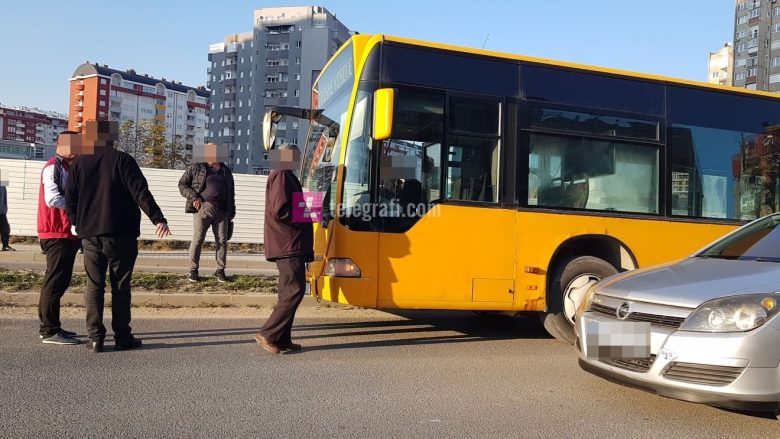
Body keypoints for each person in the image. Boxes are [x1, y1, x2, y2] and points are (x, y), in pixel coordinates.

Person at [64, 120, 171, 353]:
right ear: (111, 137)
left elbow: (69, 198)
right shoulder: (123, 160)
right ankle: (122, 336)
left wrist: (76, 222)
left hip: (90, 234)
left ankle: (95, 337)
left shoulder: (79, 163)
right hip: (121, 234)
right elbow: (140, 192)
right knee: (121, 287)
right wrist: (158, 218)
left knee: (94, 286)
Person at [255, 144, 313, 354]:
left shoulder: (282, 172)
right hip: (288, 243)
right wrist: (307, 215)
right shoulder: (281, 174)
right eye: (296, 157)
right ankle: (268, 333)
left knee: (287, 293)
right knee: (294, 291)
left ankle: (282, 338)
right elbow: (280, 210)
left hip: (288, 243)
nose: (298, 161)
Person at [37, 131, 82, 345]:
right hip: (56, 232)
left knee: (59, 281)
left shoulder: (66, 166)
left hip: (65, 232)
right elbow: (53, 199)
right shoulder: (53, 166)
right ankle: (49, 330)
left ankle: (52, 326)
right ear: (59, 144)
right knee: (55, 282)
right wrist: (79, 206)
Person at [178, 143, 235, 283]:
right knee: (198, 239)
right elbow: (182, 185)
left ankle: (220, 271)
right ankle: (193, 270)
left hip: (221, 211)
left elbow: (231, 193)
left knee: (222, 241)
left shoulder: (226, 171)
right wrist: (194, 197)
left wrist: (231, 211)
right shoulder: (197, 167)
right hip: (202, 209)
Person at [0, 184, 12, 251]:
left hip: (2, 211)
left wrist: (5, 209)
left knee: (5, 229)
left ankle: (5, 246)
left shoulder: (3, 186)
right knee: (5, 228)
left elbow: (4, 198)